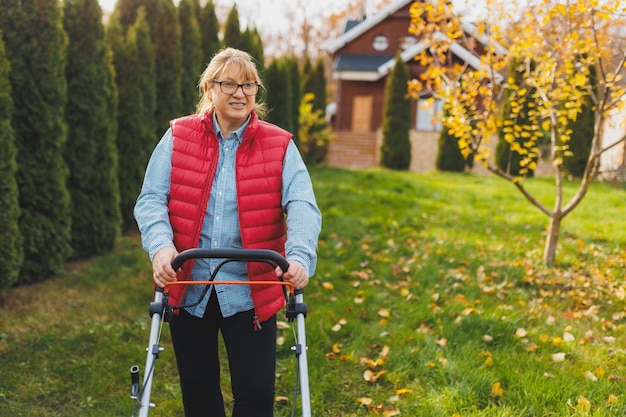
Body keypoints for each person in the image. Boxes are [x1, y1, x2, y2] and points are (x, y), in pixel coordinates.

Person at [134, 47, 322, 417]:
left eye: (249, 84)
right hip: (190, 283)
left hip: (251, 289)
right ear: (210, 89)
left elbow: (302, 205)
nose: (240, 93)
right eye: (230, 84)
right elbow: (151, 199)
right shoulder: (178, 136)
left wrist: (299, 256)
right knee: (199, 389)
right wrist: (161, 248)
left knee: (255, 390)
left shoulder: (279, 144)